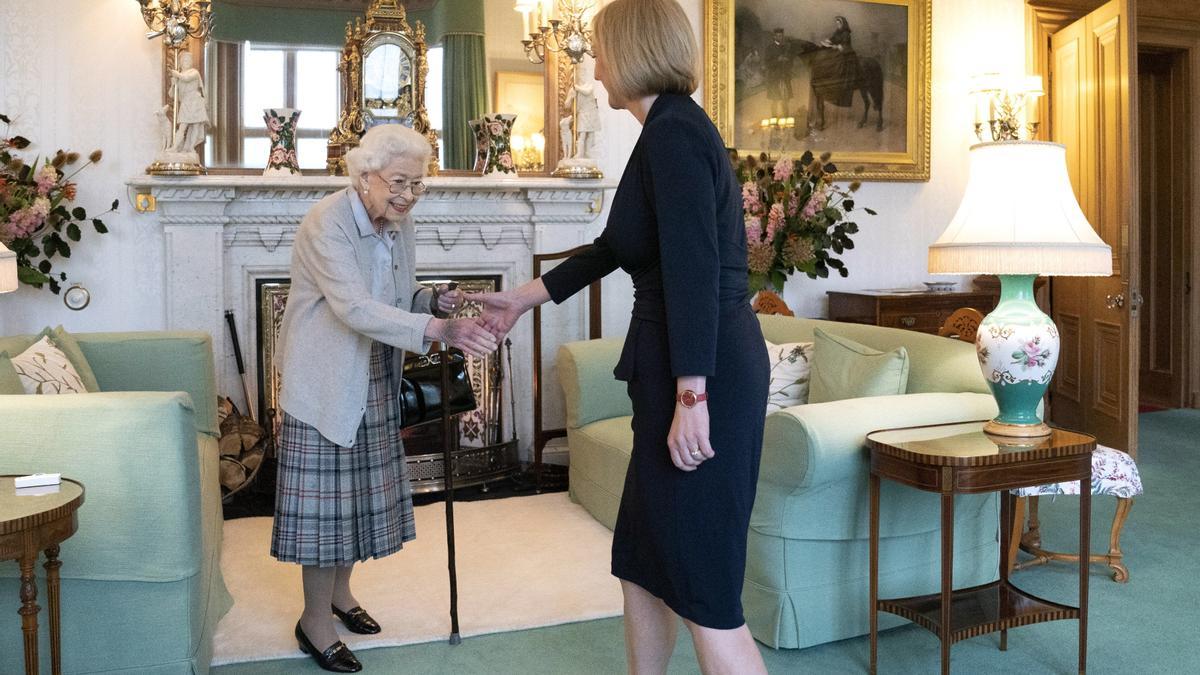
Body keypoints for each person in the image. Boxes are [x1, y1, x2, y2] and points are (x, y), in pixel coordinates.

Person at [472, 1, 770, 672]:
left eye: (601, 50)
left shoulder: (673, 134)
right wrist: (524, 297)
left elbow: (694, 267)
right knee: (642, 560)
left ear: (634, 52)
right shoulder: (663, 130)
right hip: (677, 367)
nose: (595, 65)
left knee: (704, 587)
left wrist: (692, 395)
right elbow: (615, 247)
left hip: (701, 373)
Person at [270, 124, 497, 673]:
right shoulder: (327, 223)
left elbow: (395, 296)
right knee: (325, 511)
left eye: (417, 186)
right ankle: (314, 622)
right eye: (399, 182)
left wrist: (435, 299)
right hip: (324, 379)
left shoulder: (400, 223)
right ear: (364, 175)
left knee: (356, 500)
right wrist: (439, 332)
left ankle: (341, 598)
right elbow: (351, 307)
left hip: (373, 371)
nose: (407, 195)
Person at [169, 51, 209, 154]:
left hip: (195, 101)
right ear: (181, 62)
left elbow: (186, 79)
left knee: (196, 125)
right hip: (186, 102)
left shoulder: (194, 72)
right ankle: (174, 147)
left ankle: (190, 147)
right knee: (182, 126)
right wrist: (173, 85)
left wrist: (177, 74)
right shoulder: (179, 76)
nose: (187, 62)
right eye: (184, 60)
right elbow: (172, 95)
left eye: (188, 60)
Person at [764, 27, 793, 117]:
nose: (780, 37)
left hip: (784, 77)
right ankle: (774, 120)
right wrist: (778, 60)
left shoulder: (785, 48)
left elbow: (791, 63)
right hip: (774, 78)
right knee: (775, 100)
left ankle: (786, 119)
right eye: (778, 36)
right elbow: (767, 63)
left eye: (781, 36)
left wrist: (788, 61)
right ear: (774, 37)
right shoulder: (769, 48)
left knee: (785, 100)